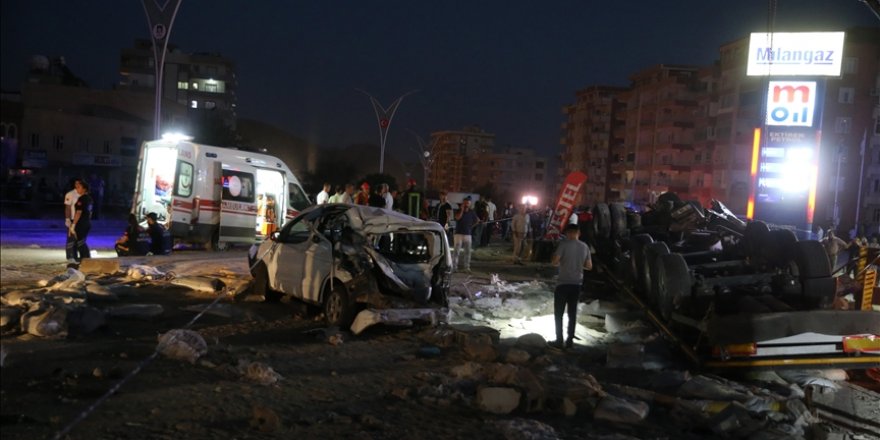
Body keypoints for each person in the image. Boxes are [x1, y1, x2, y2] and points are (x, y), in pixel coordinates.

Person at [550, 223, 593, 349]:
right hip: (577, 284)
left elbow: (554, 262)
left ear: (568, 233)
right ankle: (570, 341)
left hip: (563, 283)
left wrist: (559, 259)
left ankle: (559, 340)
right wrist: (578, 265)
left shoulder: (563, 245)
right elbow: (589, 266)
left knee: (559, 314)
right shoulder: (585, 246)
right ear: (578, 233)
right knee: (572, 313)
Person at [69, 180, 93, 262]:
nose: (77, 189)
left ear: (84, 189)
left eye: (79, 187)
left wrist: (74, 224)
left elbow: (78, 212)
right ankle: (84, 258)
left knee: (80, 242)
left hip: (81, 223)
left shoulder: (82, 199)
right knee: (81, 241)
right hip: (86, 222)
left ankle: (85, 258)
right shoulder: (89, 199)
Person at [453, 197, 479, 273]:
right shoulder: (458, 210)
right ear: (463, 203)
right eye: (465, 203)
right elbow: (457, 218)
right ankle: (454, 267)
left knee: (467, 252)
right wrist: (461, 210)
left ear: (470, 204)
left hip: (468, 234)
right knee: (456, 251)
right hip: (458, 234)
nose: (466, 204)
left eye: (468, 203)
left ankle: (466, 267)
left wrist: (471, 226)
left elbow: (477, 220)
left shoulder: (472, 212)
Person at [64, 178, 82, 263]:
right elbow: (68, 208)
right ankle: (70, 256)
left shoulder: (84, 194)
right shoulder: (70, 194)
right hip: (72, 219)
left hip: (81, 220)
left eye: (79, 183)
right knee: (71, 239)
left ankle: (78, 256)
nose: (78, 185)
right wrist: (67, 219)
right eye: (76, 183)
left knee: (80, 239)